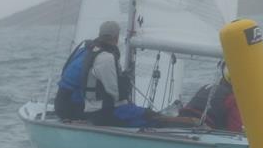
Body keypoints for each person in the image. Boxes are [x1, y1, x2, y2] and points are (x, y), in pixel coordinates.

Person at [55, 20, 196, 128]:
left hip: (66, 105)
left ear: (100, 35)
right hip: (95, 112)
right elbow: (113, 92)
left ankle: (177, 121)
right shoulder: (105, 57)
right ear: (116, 38)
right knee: (150, 117)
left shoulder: (87, 50)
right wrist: (125, 85)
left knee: (144, 114)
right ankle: (189, 124)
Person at [179, 64, 243, 132]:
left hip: (180, 122)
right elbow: (236, 129)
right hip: (200, 130)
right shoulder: (230, 98)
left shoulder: (206, 87)